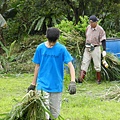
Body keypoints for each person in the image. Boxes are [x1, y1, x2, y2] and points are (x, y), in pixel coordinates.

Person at [27, 27, 76, 120]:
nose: (52, 44)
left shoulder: (62, 49)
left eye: (54, 41)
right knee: (44, 113)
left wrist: (72, 82)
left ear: (57, 39)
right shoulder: (40, 48)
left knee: (54, 114)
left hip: (56, 85)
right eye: (50, 41)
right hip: (42, 85)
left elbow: (70, 65)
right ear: (46, 37)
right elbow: (37, 66)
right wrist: (33, 84)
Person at [77, 15, 106, 84]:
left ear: (95, 22)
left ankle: (98, 80)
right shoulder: (88, 28)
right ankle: (81, 79)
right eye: (90, 22)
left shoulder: (100, 29)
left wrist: (104, 50)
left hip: (95, 48)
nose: (90, 24)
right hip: (87, 48)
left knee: (97, 64)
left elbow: (103, 40)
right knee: (84, 62)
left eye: (92, 22)